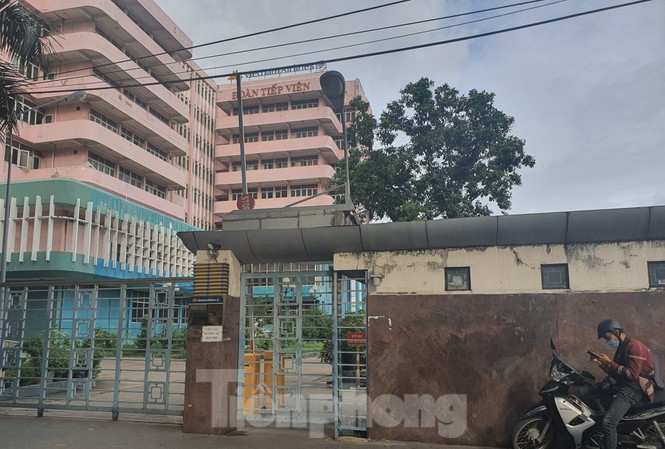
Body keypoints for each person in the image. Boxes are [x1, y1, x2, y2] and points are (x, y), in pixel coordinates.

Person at [591, 319, 658, 449]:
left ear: (616, 332)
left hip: (634, 389)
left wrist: (609, 362)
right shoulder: (623, 347)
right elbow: (618, 373)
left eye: (607, 338)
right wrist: (601, 364)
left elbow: (632, 374)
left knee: (608, 423)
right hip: (625, 385)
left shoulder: (635, 345)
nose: (608, 341)